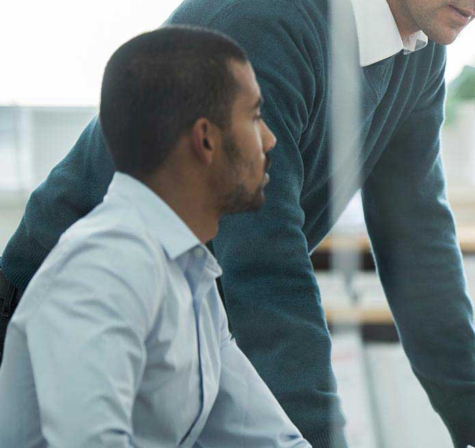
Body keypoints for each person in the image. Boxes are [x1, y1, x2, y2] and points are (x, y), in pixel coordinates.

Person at [0, 0, 475, 446]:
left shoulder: (420, 46)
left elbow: (417, 238)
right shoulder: (268, 21)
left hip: (187, 303)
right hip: (79, 318)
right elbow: (264, 269)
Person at [0, 26, 308, 446]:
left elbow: (265, 438)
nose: (270, 139)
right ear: (205, 140)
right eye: (254, 117)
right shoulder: (102, 269)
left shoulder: (188, 271)